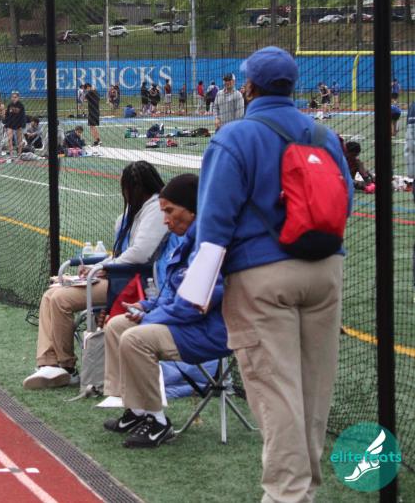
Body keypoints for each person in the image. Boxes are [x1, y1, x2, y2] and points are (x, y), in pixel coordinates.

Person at [191, 46, 352, 502]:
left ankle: (287, 494)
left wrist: (200, 288)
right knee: (314, 390)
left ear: (249, 86)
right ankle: (304, 489)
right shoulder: (322, 134)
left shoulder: (236, 136)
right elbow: (344, 202)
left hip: (261, 275)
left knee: (275, 389)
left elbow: (214, 223)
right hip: (325, 269)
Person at [102, 173, 228, 448]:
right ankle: (136, 410)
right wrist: (145, 306)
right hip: (185, 324)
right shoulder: (186, 242)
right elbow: (172, 295)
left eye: (170, 211)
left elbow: (193, 306)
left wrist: (149, 316)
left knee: (136, 338)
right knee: (117, 325)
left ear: (192, 210)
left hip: (210, 330)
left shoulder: (209, 246)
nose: (166, 220)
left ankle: (158, 422)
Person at [24, 161, 168, 389]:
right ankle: (49, 363)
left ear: (136, 189)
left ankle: (66, 367)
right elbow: (122, 253)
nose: (125, 195)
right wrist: (101, 266)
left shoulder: (156, 210)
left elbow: (140, 253)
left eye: (127, 189)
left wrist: (102, 269)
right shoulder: (135, 212)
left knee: (61, 299)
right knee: (50, 295)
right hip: (120, 276)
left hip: (133, 283)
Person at [4, 90, 27, 156]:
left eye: (15, 97)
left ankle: (19, 153)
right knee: (9, 139)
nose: (13, 98)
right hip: (10, 124)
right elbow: (7, 115)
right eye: (12, 97)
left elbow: (23, 116)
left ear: (18, 98)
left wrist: (22, 125)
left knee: (19, 140)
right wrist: (6, 123)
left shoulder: (21, 105)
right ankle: (11, 154)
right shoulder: (9, 105)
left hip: (18, 124)